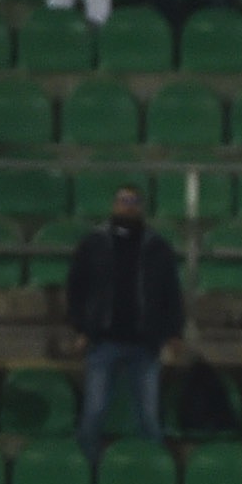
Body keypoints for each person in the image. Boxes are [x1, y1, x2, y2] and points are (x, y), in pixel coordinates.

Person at [66, 185, 186, 464]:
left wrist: (174, 332)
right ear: (113, 205)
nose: (128, 206)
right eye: (122, 200)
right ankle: (88, 473)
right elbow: (76, 289)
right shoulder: (93, 244)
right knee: (93, 413)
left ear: (141, 207)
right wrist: (81, 328)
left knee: (148, 416)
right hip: (102, 340)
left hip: (145, 343)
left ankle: (157, 473)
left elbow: (170, 292)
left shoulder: (157, 247)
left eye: (133, 201)